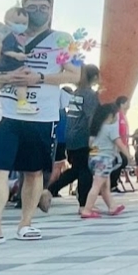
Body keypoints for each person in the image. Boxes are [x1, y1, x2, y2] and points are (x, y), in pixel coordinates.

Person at [0, 0, 80, 243]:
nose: (38, 12)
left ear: (51, 10)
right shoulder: (3, 37)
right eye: (32, 7)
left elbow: (75, 75)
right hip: (7, 114)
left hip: (42, 116)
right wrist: (9, 78)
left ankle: (26, 223)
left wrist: (40, 78)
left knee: (34, 172)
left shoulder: (63, 40)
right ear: (22, 10)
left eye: (44, 7)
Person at [48, 64, 100, 205]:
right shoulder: (90, 95)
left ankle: (50, 189)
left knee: (77, 168)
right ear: (95, 77)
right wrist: (95, 138)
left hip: (71, 136)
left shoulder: (76, 93)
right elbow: (92, 118)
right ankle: (84, 204)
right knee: (86, 169)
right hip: (84, 137)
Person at [80, 103, 131, 219]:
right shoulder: (110, 129)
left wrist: (94, 157)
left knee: (105, 187)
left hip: (94, 159)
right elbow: (120, 144)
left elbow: (91, 145)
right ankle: (87, 209)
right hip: (105, 160)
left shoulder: (97, 128)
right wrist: (128, 156)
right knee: (97, 186)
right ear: (110, 116)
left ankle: (112, 207)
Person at [0, 6, 34, 114]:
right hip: (9, 65)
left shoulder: (19, 36)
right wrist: (16, 55)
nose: (21, 26)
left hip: (9, 66)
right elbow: (5, 50)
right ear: (7, 21)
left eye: (24, 24)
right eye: (17, 22)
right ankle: (22, 103)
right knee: (22, 81)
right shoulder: (8, 35)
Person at [109, 96, 131, 192]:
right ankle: (111, 184)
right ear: (122, 104)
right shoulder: (117, 115)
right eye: (126, 102)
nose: (128, 104)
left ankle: (112, 183)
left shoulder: (123, 116)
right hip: (116, 146)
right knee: (120, 161)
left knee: (122, 161)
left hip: (122, 144)